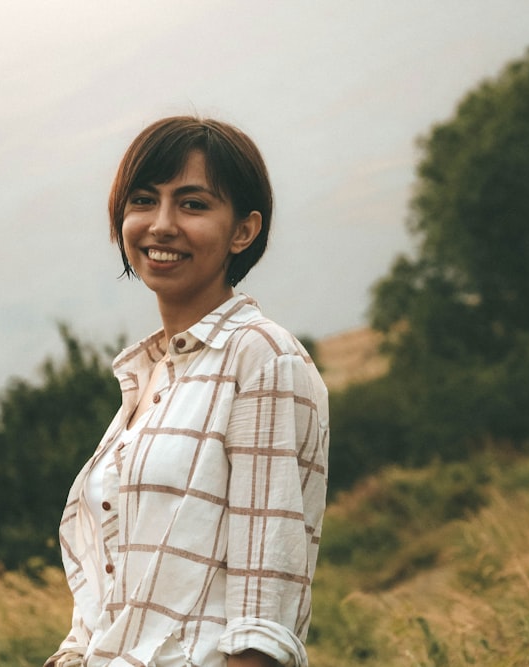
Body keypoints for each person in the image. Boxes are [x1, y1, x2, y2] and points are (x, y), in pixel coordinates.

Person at [46, 116, 329, 667]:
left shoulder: (262, 358)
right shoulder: (148, 374)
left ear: (243, 231)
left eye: (193, 204)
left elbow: (263, 613)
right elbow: (112, 598)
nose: (161, 224)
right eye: (144, 200)